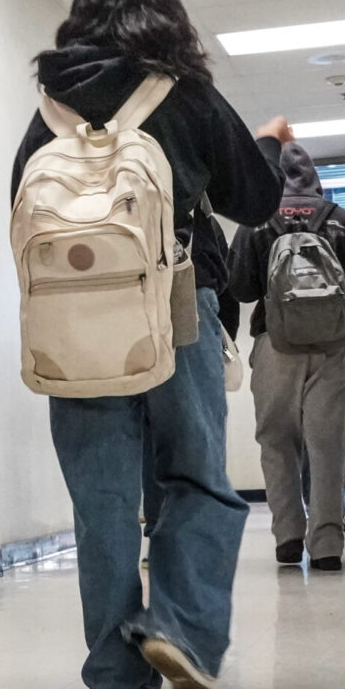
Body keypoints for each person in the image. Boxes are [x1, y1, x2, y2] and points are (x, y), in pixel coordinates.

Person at [13, 0, 283, 689]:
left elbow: (17, 207)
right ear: (164, 16)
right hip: (176, 304)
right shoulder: (183, 93)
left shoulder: (51, 106)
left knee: (101, 504)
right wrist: (261, 145)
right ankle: (178, 631)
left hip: (72, 329)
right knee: (194, 478)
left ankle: (111, 684)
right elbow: (256, 200)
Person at [229, 146, 345, 571]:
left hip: (275, 344)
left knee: (277, 442)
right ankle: (327, 543)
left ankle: (288, 537)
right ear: (314, 174)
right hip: (332, 348)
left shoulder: (256, 221)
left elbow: (239, 289)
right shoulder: (341, 219)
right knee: (330, 445)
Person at [142, 208, 238, 541]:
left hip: (117, 306)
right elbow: (227, 285)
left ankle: (157, 529)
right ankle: (191, 539)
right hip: (189, 299)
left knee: (147, 431)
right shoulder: (197, 211)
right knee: (197, 430)